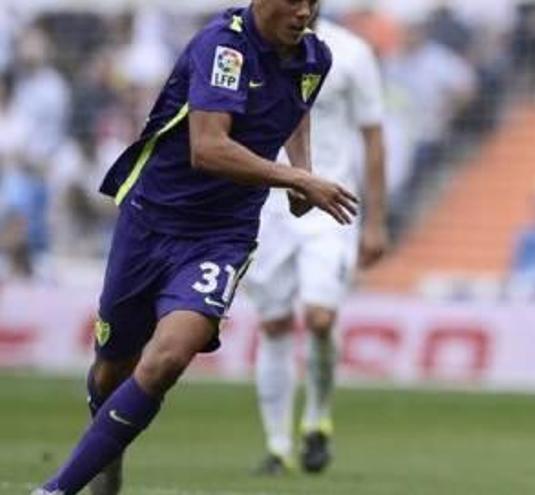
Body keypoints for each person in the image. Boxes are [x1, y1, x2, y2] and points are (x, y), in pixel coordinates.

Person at [32, 1, 357, 494]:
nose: (304, 12)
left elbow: (296, 108)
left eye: (313, 2)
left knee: (167, 359)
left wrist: (301, 171)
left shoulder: (315, 58)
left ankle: (55, 490)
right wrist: (298, 178)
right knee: (110, 372)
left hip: (222, 237)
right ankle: (108, 451)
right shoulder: (222, 47)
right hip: (150, 223)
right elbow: (207, 148)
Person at [245, 14, 387, 475]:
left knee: (320, 317)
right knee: (274, 324)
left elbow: (373, 137)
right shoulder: (248, 46)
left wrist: (376, 223)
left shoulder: (351, 52)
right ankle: (277, 444)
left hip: (332, 199)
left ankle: (316, 419)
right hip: (267, 203)